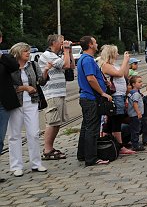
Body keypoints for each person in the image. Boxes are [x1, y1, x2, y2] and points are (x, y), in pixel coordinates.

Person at [8, 42, 47, 176]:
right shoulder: (10, 67)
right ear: (18, 53)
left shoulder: (33, 65)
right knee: (14, 134)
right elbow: (7, 87)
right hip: (15, 103)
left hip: (32, 101)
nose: (28, 53)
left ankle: (36, 163)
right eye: (25, 51)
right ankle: (16, 166)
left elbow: (41, 81)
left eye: (28, 51)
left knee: (34, 133)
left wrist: (46, 71)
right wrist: (24, 88)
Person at [76, 35, 112, 166]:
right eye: (95, 42)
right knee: (92, 128)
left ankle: (82, 154)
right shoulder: (88, 60)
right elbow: (91, 78)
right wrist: (102, 92)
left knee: (86, 127)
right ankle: (91, 158)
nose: (97, 45)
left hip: (87, 98)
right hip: (91, 98)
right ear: (90, 45)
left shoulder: (84, 59)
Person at [38, 34, 73, 160]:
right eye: (62, 41)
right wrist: (67, 50)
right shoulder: (48, 55)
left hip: (59, 92)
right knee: (52, 122)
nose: (64, 43)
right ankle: (47, 150)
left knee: (57, 122)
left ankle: (50, 147)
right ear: (53, 43)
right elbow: (66, 65)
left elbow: (71, 66)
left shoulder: (57, 56)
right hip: (51, 94)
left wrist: (69, 52)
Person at [97, 45, 134, 155]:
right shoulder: (105, 65)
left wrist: (126, 63)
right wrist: (125, 61)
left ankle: (114, 142)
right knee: (117, 119)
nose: (118, 54)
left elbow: (125, 75)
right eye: (116, 52)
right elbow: (119, 74)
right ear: (111, 54)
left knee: (117, 118)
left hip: (121, 94)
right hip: (115, 95)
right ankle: (119, 145)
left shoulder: (114, 65)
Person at [0, 47, 21, 182]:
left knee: (0, 139)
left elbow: (15, 67)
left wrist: (1, 56)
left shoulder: (4, 58)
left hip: (3, 104)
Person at [127, 76, 145, 151]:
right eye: (139, 82)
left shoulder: (131, 93)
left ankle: (135, 142)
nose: (141, 83)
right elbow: (135, 104)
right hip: (135, 115)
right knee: (136, 129)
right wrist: (138, 113)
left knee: (135, 129)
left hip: (132, 115)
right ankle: (135, 144)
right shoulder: (136, 94)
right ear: (134, 84)